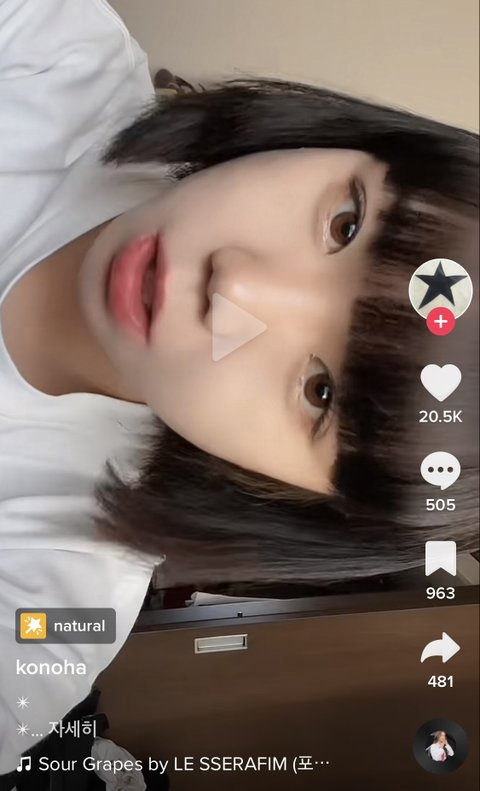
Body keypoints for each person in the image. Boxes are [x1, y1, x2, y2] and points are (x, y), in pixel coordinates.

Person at [0, 0, 478, 776]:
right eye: (345, 224)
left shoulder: (55, 612)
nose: (234, 289)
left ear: (286, 495)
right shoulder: (51, 45)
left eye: (320, 393)